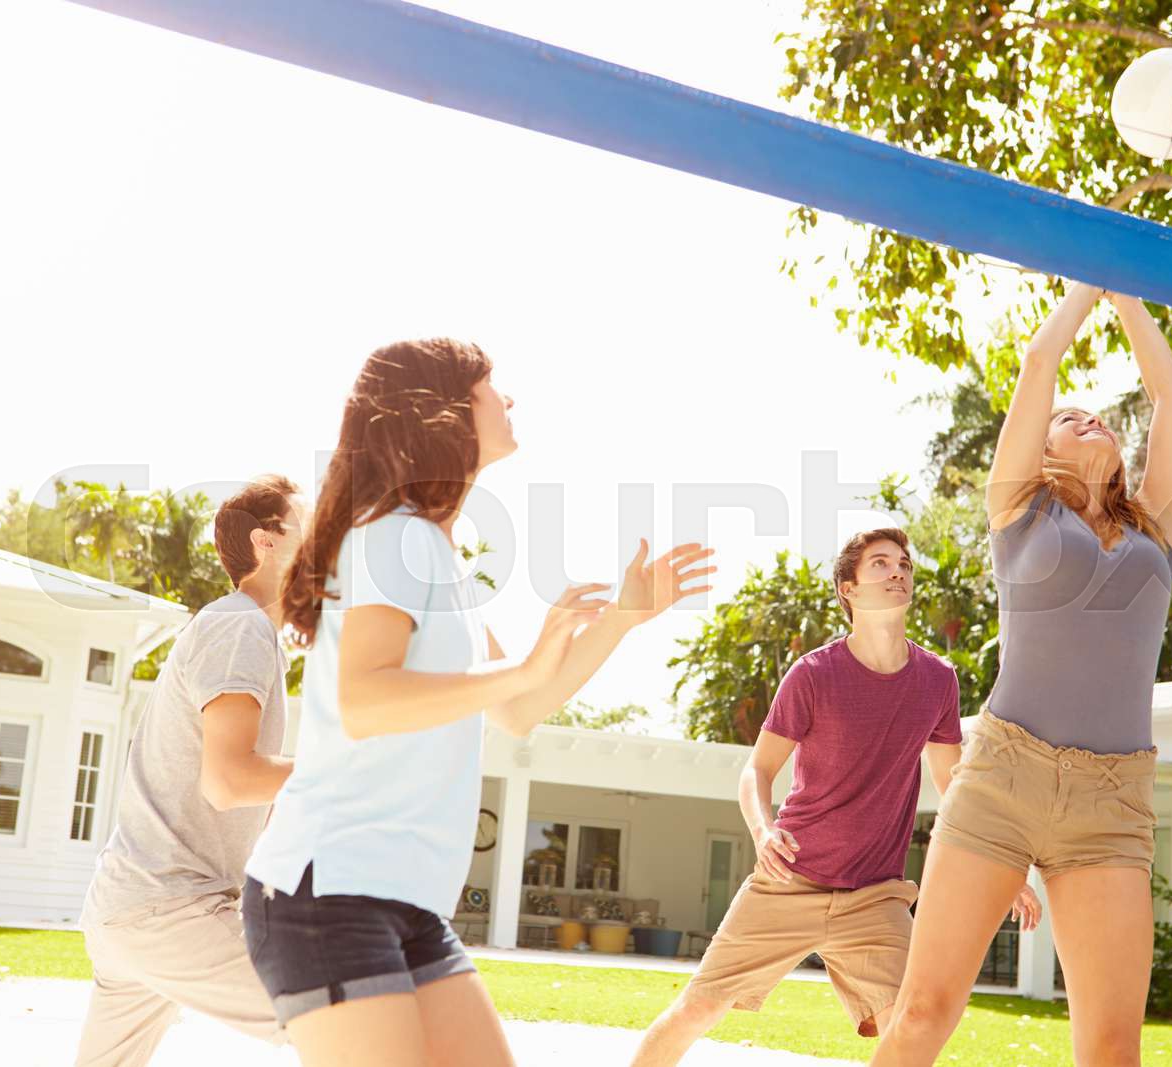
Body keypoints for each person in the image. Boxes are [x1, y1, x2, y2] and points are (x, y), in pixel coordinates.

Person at [241, 338, 715, 1067]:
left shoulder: (437, 554)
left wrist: (625, 616)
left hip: (404, 900)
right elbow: (366, 699)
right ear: (446, 412)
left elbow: (520, 708)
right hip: (329, 892)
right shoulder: (390, 537)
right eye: (494, 387)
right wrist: (519, 670)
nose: (511, 400)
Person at [871, 285, 1172, 1067]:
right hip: (1003, 781)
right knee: (923, 1012)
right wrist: (1087, 277)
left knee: (1113, 1046)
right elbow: (1040, 360)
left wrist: (1129, 290)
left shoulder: (1158, 528)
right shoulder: (1020, 511)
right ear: (1040, 451)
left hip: (1113, 801)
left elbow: (1171, 397)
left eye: (1098, 415)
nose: (1091, 418)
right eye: (1068, 417)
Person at [630, 527, 1041, 1067]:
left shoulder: (937, 680)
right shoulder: (814, 674)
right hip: (789, 881)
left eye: (903, 564)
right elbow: (759, 768)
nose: (897, 571)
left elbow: (954, 786)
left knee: (911, 1025)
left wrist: (1002, 869)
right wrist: (762, 830)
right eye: (880, 564)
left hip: (875, 897)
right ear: (847, 588)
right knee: (698, 1008)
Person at [75, 475, 307, 1067]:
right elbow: (230, 781)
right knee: (345, 1023)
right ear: (268, 542)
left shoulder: (249, 633)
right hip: (167, 910)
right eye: (313, 524)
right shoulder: (239, 626)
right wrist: (351, 776)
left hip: (132, 908)